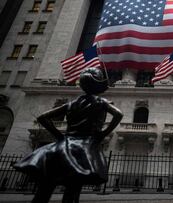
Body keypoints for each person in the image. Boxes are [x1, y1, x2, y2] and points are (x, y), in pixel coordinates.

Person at [14, 68, 123, 203]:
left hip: (61, 146)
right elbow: (118, 114)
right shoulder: (101, 102)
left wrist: (58, 136)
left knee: (45, 188)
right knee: (72, 189)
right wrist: (103, 133)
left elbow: (42, 117)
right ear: (98, 86)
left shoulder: (71, 104)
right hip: (82, 148)